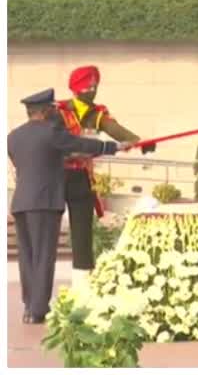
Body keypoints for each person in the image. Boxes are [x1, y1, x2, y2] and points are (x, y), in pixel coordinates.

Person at [8, 89, 125, 323]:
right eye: (52, 108)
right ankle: (39, 310)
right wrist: (113, 147)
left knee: (28, 256)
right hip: (45, 202)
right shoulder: (51, 132)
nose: (55, 111)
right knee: (43, 255)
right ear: (44, 111)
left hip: (21, 202)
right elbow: (79, 143)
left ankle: (29, 306)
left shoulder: (14, 136)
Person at [57, 65, 154, 286]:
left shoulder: (97, 113)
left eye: (94, 86)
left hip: (81, 175)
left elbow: (115, 130)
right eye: (87, 87)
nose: (92, 90)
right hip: (55, 176)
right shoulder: (59, 111)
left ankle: (81, 280)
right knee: (48, 230)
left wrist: (139, 141)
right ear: (76, 89)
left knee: (82, 229)